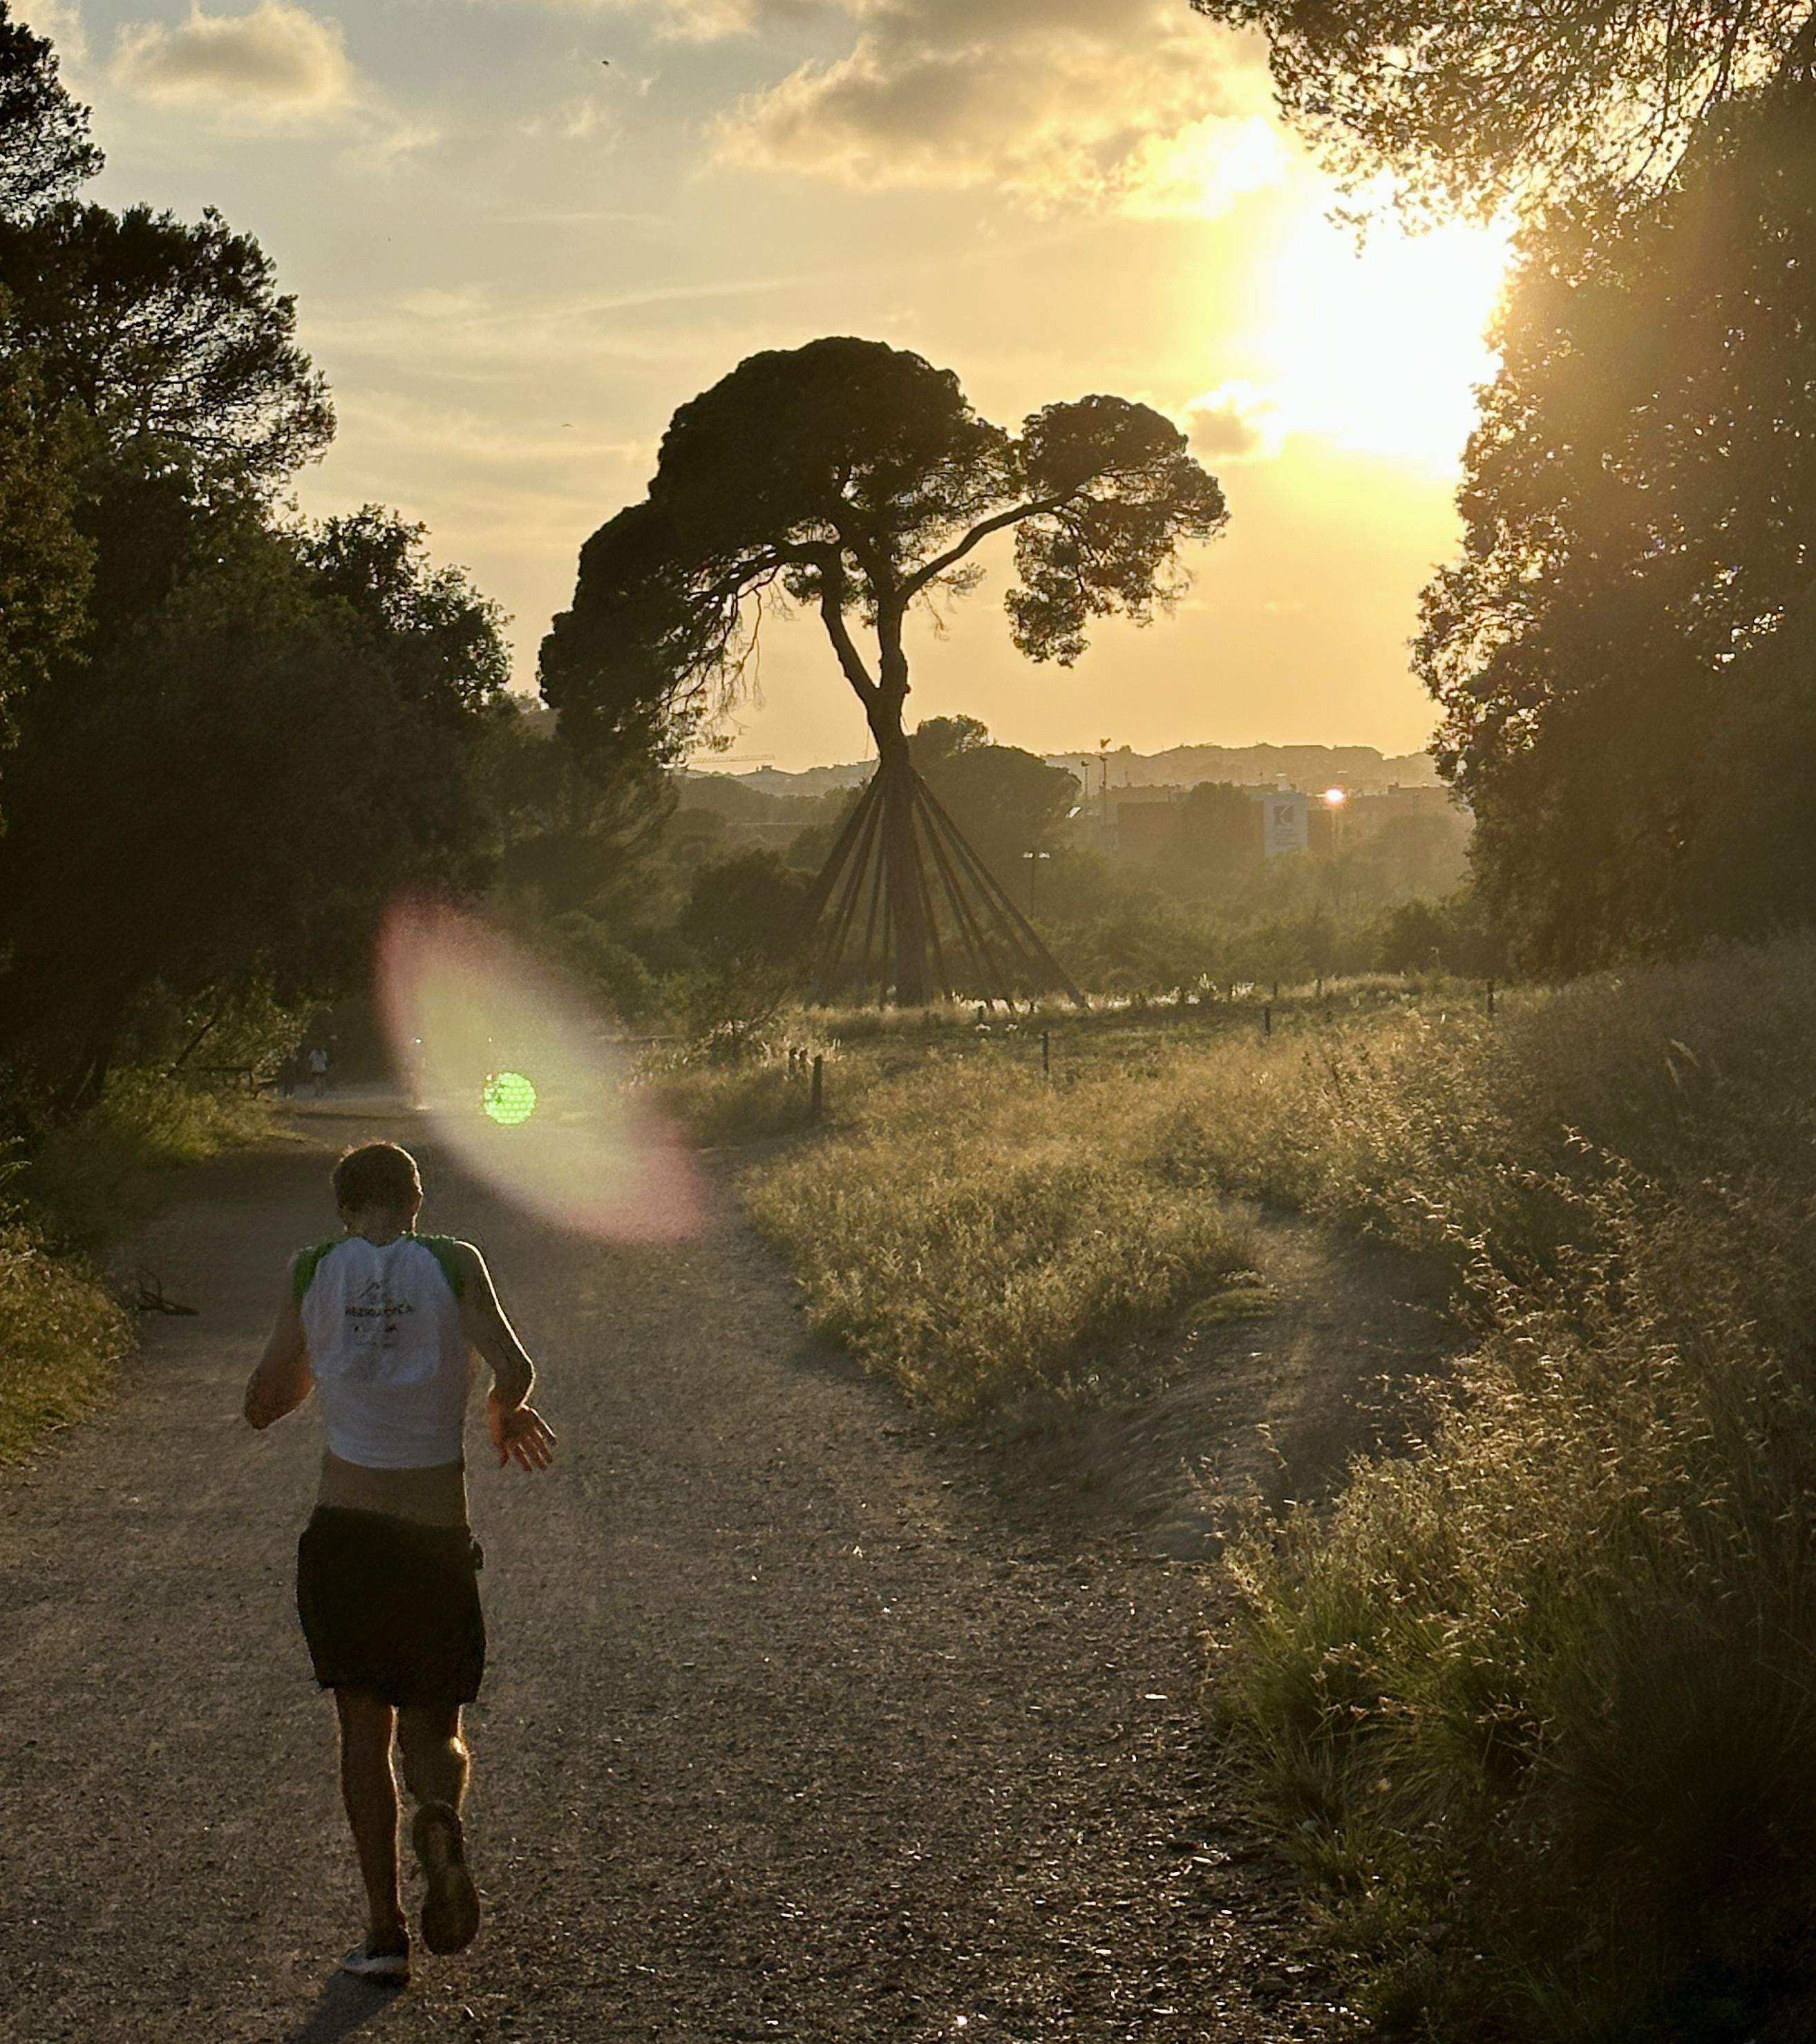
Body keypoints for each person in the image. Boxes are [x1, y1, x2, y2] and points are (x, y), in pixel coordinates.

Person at [243, 1141, 556, 1985]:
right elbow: (514, 1364)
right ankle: (437, 1814)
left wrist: (321, 1368)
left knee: (361, 1728)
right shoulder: (454, 1262)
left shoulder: (311, 1268)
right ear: (417, 1203)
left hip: (345, 1535)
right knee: (434, 1731)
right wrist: (502, 1410)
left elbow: (265, 1403)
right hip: (433, 1537)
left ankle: (384, 1935)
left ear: (344, 1210)